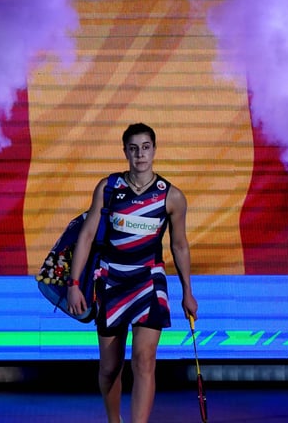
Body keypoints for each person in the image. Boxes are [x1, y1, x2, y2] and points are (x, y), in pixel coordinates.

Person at [66, 122, 198, 423]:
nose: (140, 154)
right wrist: (73, 284)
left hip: (150, 282)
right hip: (111, 280)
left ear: (154, 150)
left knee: (144, 360)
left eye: (146, 147)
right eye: (134, 148)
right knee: (109, 368)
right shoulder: (109, 187)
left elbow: (179, 245)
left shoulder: (172, 197)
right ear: (125, 151)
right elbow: (86, 236)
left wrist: (188, 293)